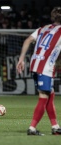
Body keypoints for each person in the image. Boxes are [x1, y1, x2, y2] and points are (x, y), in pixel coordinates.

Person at [16, 6, 61, 135]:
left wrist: (21, 59)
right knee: (44, 96)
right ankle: (32, 128)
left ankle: (55, 126)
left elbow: (28, 40)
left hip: (35, 65)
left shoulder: (43, 28)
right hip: (45, 67)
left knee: (49, 94)